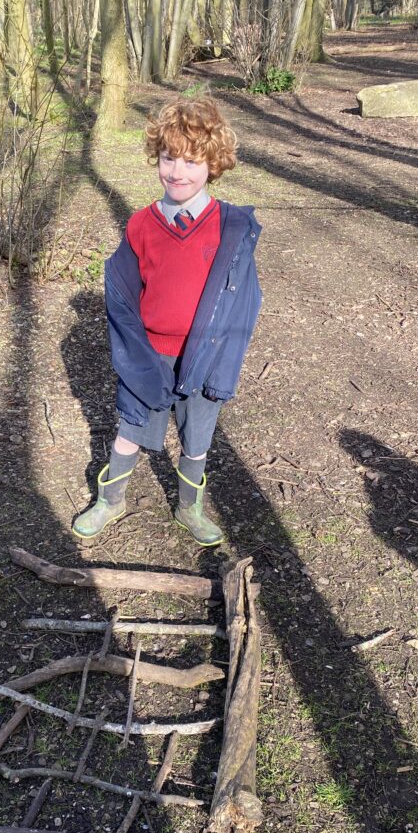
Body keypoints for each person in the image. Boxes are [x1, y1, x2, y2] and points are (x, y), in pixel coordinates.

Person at [73, 96, 262, 546]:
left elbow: (243, 303)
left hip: (205, 357)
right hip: (150, 355)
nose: (178, 171)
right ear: (156, 158)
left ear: (213, 165)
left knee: (196, 440)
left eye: (192, 161)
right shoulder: (141, 225)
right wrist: (134, 352)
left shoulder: (229, 228)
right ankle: (110, 500)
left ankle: (189, 507)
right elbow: (124, 295)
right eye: (168, 157)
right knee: (130, 430)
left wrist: (225, 363)